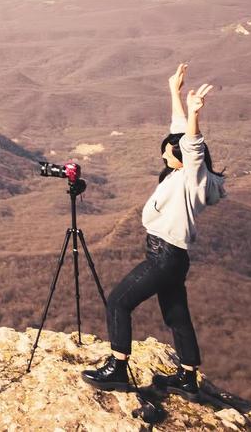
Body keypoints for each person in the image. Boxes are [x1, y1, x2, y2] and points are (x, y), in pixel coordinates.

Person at [81, 62, 226, 399]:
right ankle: (188, 377)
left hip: (164, 256)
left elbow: (190, 145)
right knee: (176, 314)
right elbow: (179, 136)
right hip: (172, 257)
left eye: (167, 151)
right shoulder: (184, 173)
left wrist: (195, 114)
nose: (163, 151)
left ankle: (117, 369)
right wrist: (174, 93)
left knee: (118, 301)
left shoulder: (193, 177)